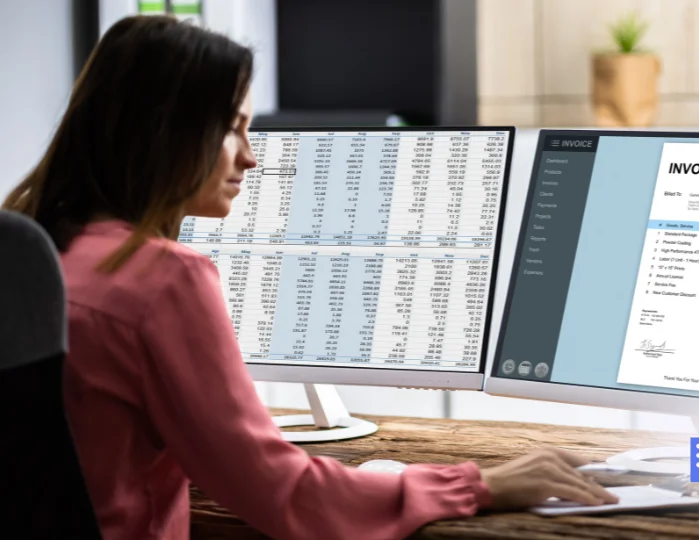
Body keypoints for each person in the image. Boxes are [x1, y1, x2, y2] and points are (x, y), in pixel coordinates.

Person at [2, 15, 617, 540]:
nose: (250, 155)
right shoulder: (160, 279)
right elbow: (280, 493)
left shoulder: (32, 254)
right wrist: (478, 482)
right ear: (165, 130)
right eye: (233, 128)